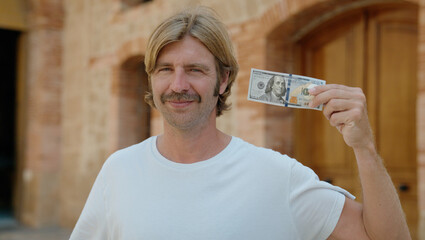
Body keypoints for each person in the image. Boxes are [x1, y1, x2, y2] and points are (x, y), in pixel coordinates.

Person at [70, 6, 410, 240]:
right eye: (165, 69)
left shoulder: (277, 175)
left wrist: (364, 148)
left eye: (195, 69)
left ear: (223, 79)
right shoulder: (119, 170)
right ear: (152, 79)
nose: (178, 85)